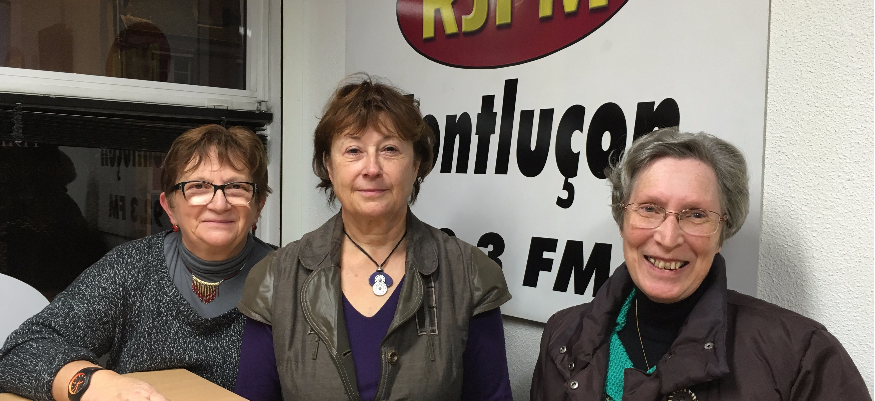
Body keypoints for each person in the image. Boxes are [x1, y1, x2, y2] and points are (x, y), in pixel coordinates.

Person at [530, 128, 871, 400]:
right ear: (622, 219)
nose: (668, 237)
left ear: (723, 231)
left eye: (695, 215)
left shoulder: (802, 356)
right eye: (649, 209)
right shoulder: (563, 333)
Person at [234, 74, 513, 401]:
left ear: (416, 164)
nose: (371, 168)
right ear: (329, 166)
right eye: (353, 150)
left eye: (390, 149)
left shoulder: (470, 274)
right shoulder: (276, 277)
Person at [0, 124, 275, 401]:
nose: (219, 203)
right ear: (169, 207)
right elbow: (21, 351)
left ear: (259, 204)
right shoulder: (130, 267)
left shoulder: (288, 277)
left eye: (237, 187)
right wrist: (91, 384)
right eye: (198, 187)